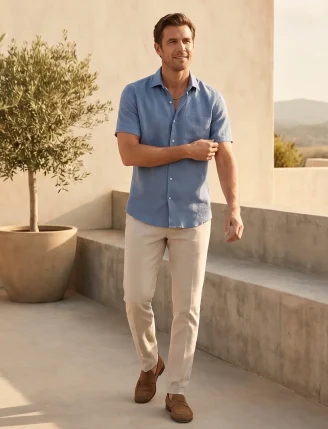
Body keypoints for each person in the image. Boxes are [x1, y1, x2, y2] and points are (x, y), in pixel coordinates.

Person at [114, 12, 243, 424]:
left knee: (187, 308)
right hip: (145, 214)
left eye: (186, 40)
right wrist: (185, 150)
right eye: (172, 41)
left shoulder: (212, 99)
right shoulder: (134, 94)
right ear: (158, 48)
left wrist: (234, 209)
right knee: (135, 298)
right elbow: (129, 154)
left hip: (193, 217)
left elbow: (225, 157)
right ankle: (151, 362)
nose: (180, 48)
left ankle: (177, 391)